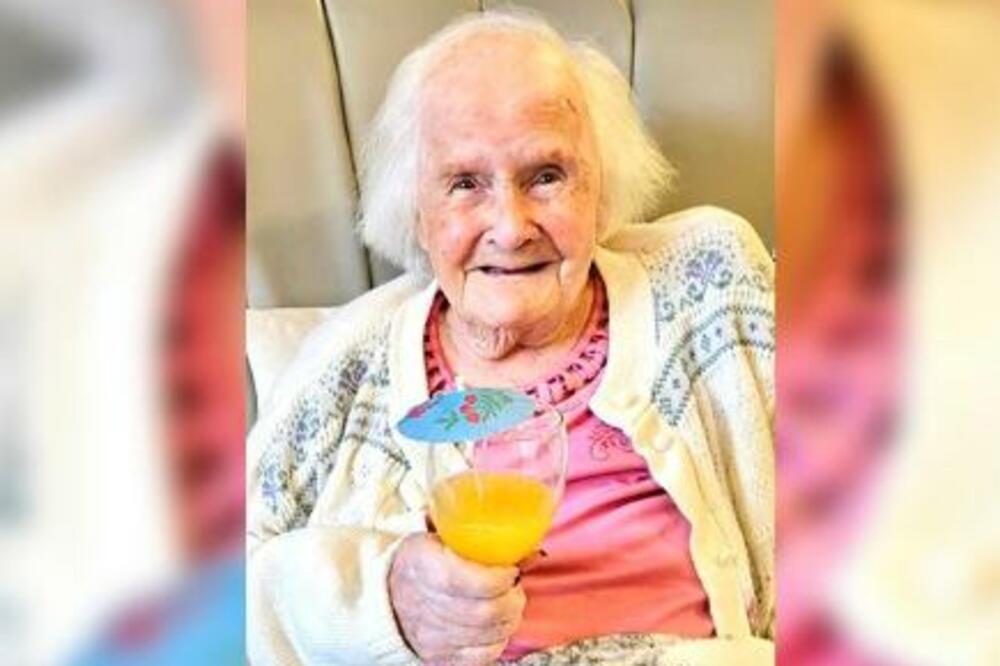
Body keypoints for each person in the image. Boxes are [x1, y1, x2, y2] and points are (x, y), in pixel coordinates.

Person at [248, 12, 774, 666]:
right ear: (416, 210)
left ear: (601, 186)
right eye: (465, 183)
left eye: (546, 175)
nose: (510, 226)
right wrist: (379, 600)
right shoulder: (346, 367)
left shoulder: (709, 284)